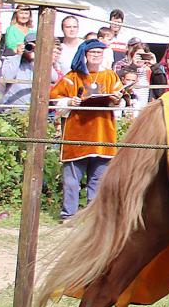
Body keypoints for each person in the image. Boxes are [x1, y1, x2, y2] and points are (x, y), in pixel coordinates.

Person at [50, 39, 123, 221]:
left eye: (99, 52)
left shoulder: (110, 76)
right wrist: (69, 101)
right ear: (85, 54)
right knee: (72, 179)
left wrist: (116, 99)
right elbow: (53, 98)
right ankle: (69, 216)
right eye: (92, 53)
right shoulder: (73, 76)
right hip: (78, 133)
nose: (96, 56)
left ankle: (93, 218)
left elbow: (122, 99)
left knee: (98, 179)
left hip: (103, 133)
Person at [0, 31, 37, 107]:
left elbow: (53, 77)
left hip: (34, 109)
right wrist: (18, 55)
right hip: (13, 110)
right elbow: (7, 77)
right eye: (30, 46)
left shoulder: (42, 63)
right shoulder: (11, 60)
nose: (33, 49)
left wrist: (35, 59)